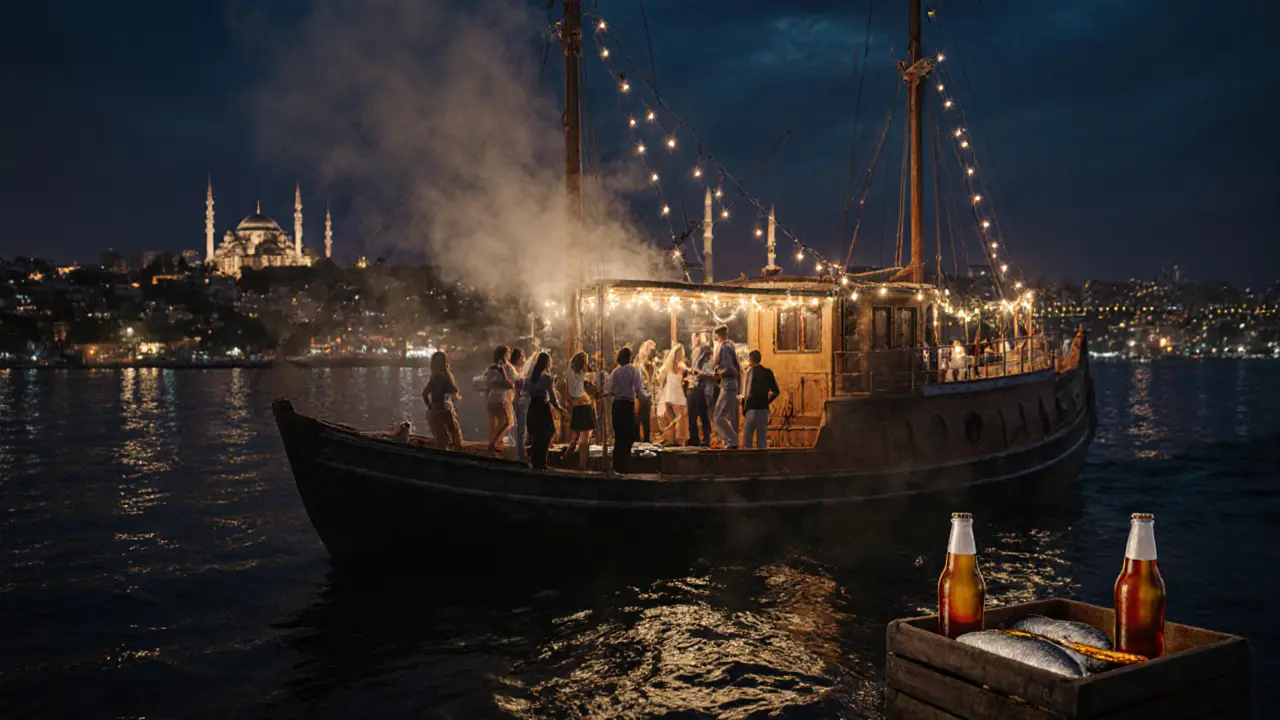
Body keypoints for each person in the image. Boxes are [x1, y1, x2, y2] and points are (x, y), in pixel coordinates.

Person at [606, 345, 648, 473]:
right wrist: (647, 397)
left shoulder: (615, 372)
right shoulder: (633, 370)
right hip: (627, 405)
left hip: (617, 405)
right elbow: (639, 389)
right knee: (628, 436)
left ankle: (616, 466)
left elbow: (610, 390)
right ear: (630, 358)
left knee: (619, 437)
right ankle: (624, 465)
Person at [524, 351, 563, 470]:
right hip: (543, 407)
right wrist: (559, 407)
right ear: (547, 363)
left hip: (533, 407)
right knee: (546, 434)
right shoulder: (547, 378)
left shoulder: (530, 378)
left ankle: (535, 461)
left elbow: (527, 392)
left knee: (536, 435)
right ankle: (542, 462)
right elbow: (552, 396)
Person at [422, 350, 463, 450]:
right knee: (454, 432)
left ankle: (442, 449)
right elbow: (454, 390)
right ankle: (456, 449)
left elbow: (424, 394)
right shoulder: (447, 375)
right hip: (445, 407)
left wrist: (430, 407)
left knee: (439, 434)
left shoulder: (434, 377)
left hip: (435, 409)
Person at [741, 349, 780, 449]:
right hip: (763, 411)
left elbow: (745, 393)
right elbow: (776, 392)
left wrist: (743, 409)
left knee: (747, 442)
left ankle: (748, 459)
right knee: (762, 443)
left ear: (751, 360)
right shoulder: (768, 372)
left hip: (751, 410)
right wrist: (767, 401)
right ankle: (761, 459)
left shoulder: (749, 373)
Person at [710, 324, 741, 449]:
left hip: (727, 384)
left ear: (717, 336)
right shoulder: (730, 346)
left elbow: (729, 368)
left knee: (718, 416)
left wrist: (718, 374)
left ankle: (732, 440)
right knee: (730, 417)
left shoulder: (724, 347)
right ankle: (731, 441)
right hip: (731, 385)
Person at [564, 350, 597, 469]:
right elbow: (592, 381)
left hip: (576, 406)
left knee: (576, 436)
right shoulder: (583, 374)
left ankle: (567, 458)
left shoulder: (570, 372)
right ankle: (582, 464)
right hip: (584, 406)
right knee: (585, 439)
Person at [484, 345, 516, 454]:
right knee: (508, 422)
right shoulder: (506, 367)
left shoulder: (490, 368)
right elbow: (511, 383)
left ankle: (496, 443)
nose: (510, 354)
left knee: (498, 423)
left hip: (491, 398)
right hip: (501, 398)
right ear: (505, 354)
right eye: (508, 352)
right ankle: (493, 444)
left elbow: (487, 383)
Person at [685, 331, 713, 446]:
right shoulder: (697, 352)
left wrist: (693, 372)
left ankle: (703, 438)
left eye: (694, 338)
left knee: (700, 413)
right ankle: (696, 437)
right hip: (695, 385)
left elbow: (699, 370)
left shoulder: (702, 352)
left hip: (698, 386)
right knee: (695, 413)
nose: (692, 341)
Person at [658, 343, 688, 444]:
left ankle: (672, 438)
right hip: (677, 394)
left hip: (668, 395)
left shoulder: (669, 366)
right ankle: (680, 440)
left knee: (673, 419)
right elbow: (687, 375)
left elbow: (661, 378)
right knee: (680, 417)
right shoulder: (681, 365)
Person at [635, 339, 657, 443]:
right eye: (650, 349)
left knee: (646, 419)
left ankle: (646, 440)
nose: (652, 352)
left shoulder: (651, 365)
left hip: (647, 395)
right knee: (639, 418)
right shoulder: (639, 364)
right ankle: (639, 440)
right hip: (640, 395)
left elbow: (652, 382)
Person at [509, 347, 529, 461]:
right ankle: (519, 453)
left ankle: (521, 451)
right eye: (522, 356)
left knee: (522, 427)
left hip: (521, 399)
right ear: (518, 358)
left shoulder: (521, 370)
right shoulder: (514, 370)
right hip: (517, 400)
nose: (524, 358)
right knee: (520, 426)